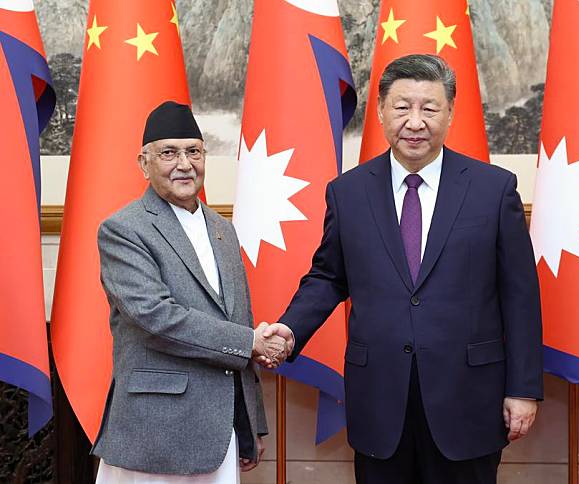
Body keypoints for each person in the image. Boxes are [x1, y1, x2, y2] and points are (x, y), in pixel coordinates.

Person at [263, 54, 543, 483]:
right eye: (402, 106)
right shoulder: (348, 193)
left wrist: (523, 389)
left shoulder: (493, 190)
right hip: (380, 400)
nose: (415, 121)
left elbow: (520, 296)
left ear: (450, 112)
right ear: (380, 111)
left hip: (468, 400)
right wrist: (291, 328)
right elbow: (328, 277)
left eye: (429, 108)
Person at [92, 101, 286, 483]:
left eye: (193, 151)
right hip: (155, 432)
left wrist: (251, 423)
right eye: (169, 153)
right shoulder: (124, 229)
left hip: (221, 432)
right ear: (143, 163)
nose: (184, 164)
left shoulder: (222, 229)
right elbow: (156, 319)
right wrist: (251, 342)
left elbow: (238, 319)